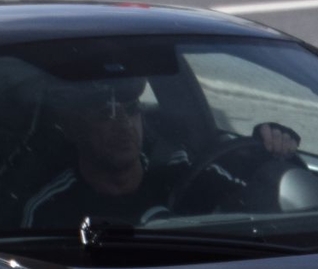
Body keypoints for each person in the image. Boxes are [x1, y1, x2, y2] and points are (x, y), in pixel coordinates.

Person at [21, 80, 300, 230]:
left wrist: (270, 153)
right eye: (105, 115)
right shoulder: (51, 208)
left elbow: (257, 212)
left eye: (131, 111)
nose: (123, 125)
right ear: (74, 129)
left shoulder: (182, 174)